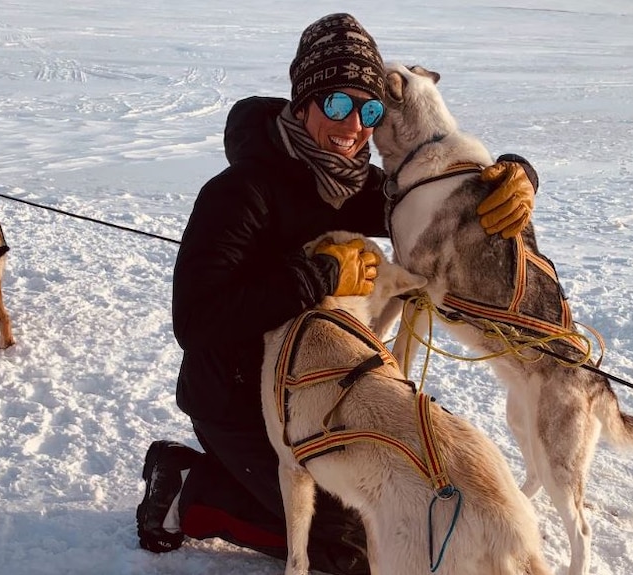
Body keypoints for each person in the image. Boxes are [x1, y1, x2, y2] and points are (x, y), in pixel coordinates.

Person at [136, 12, 539, 575]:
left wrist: (514, 175)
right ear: (303, 102)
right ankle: (188, 487)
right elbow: (196, 320)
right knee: (351, 547)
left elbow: (438, 198)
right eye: (337, 104)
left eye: (369, 109)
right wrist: (317, 277)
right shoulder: (239, 193)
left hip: (329, 384)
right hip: (239, 402)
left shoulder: (353, 184)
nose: (354, 126)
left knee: (406, 507)